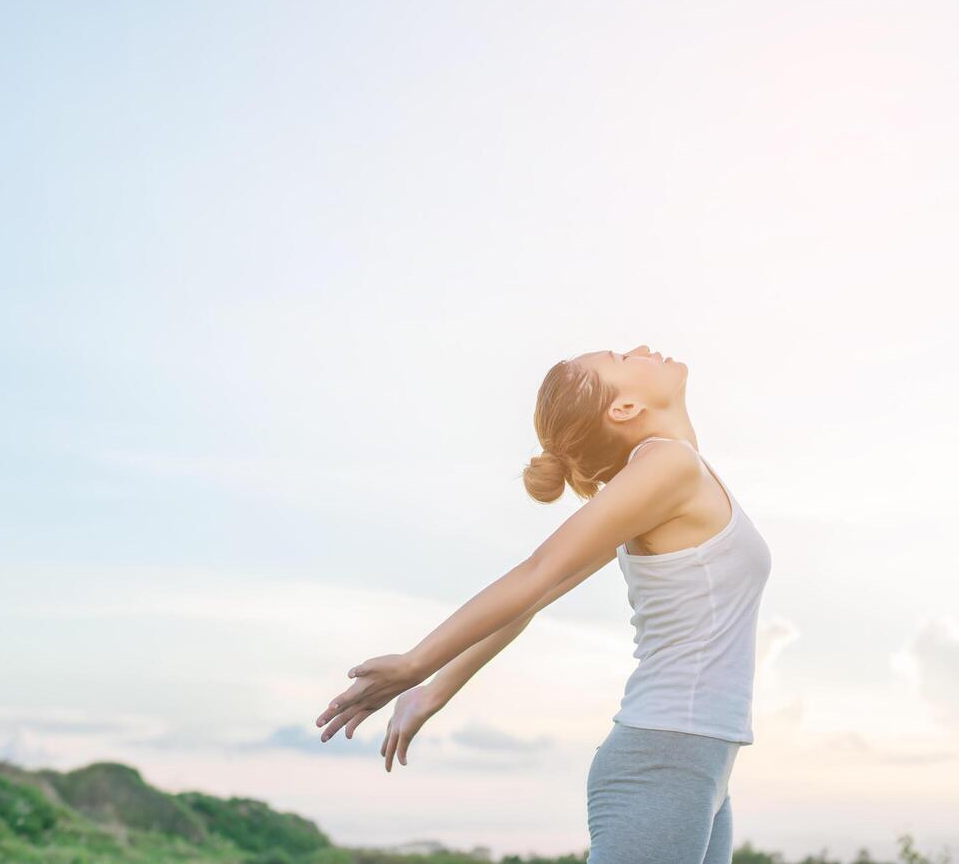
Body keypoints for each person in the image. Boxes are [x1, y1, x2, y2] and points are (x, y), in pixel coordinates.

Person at [314, 344, 772, 864]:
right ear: (623, 409)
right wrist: (418, 664)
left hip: (699, 761)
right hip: (665, 758)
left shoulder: (665, 479)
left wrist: (433, 690)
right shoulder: (669, 465)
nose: (641, 349)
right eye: (622, 358)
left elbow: (536, 598)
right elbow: (539, 574)